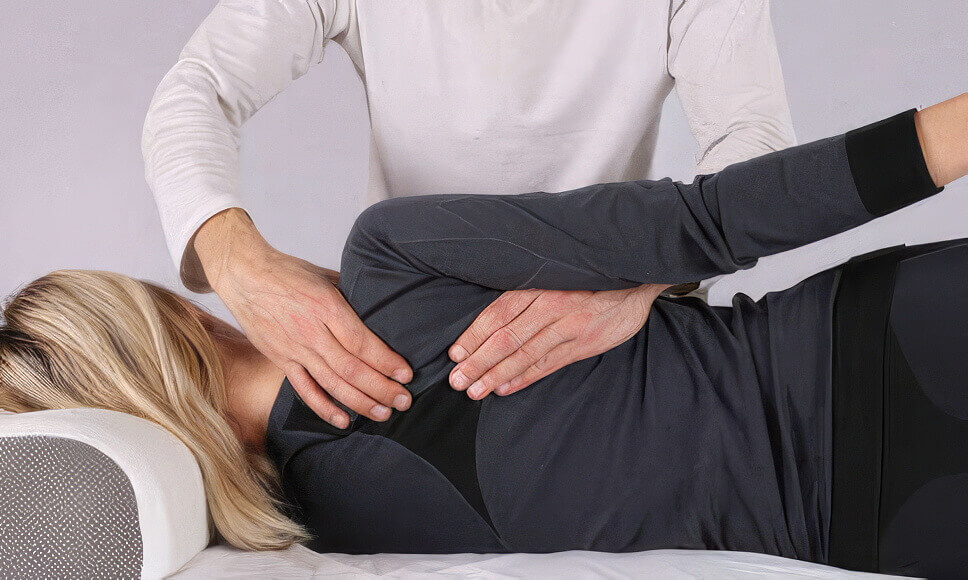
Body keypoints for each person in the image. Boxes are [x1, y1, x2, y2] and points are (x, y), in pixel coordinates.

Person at [5, 94, 965, 577]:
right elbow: (712, 218)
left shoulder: (308, 539)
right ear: (168, 314)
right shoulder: (392, 260)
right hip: (889, 347)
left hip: (874, 506)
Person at [142, 0, 798, 428]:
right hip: (407, 340)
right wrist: (238, 262)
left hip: (604, 335)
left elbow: (753, 143)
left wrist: (645, 280)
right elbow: (200, 87)